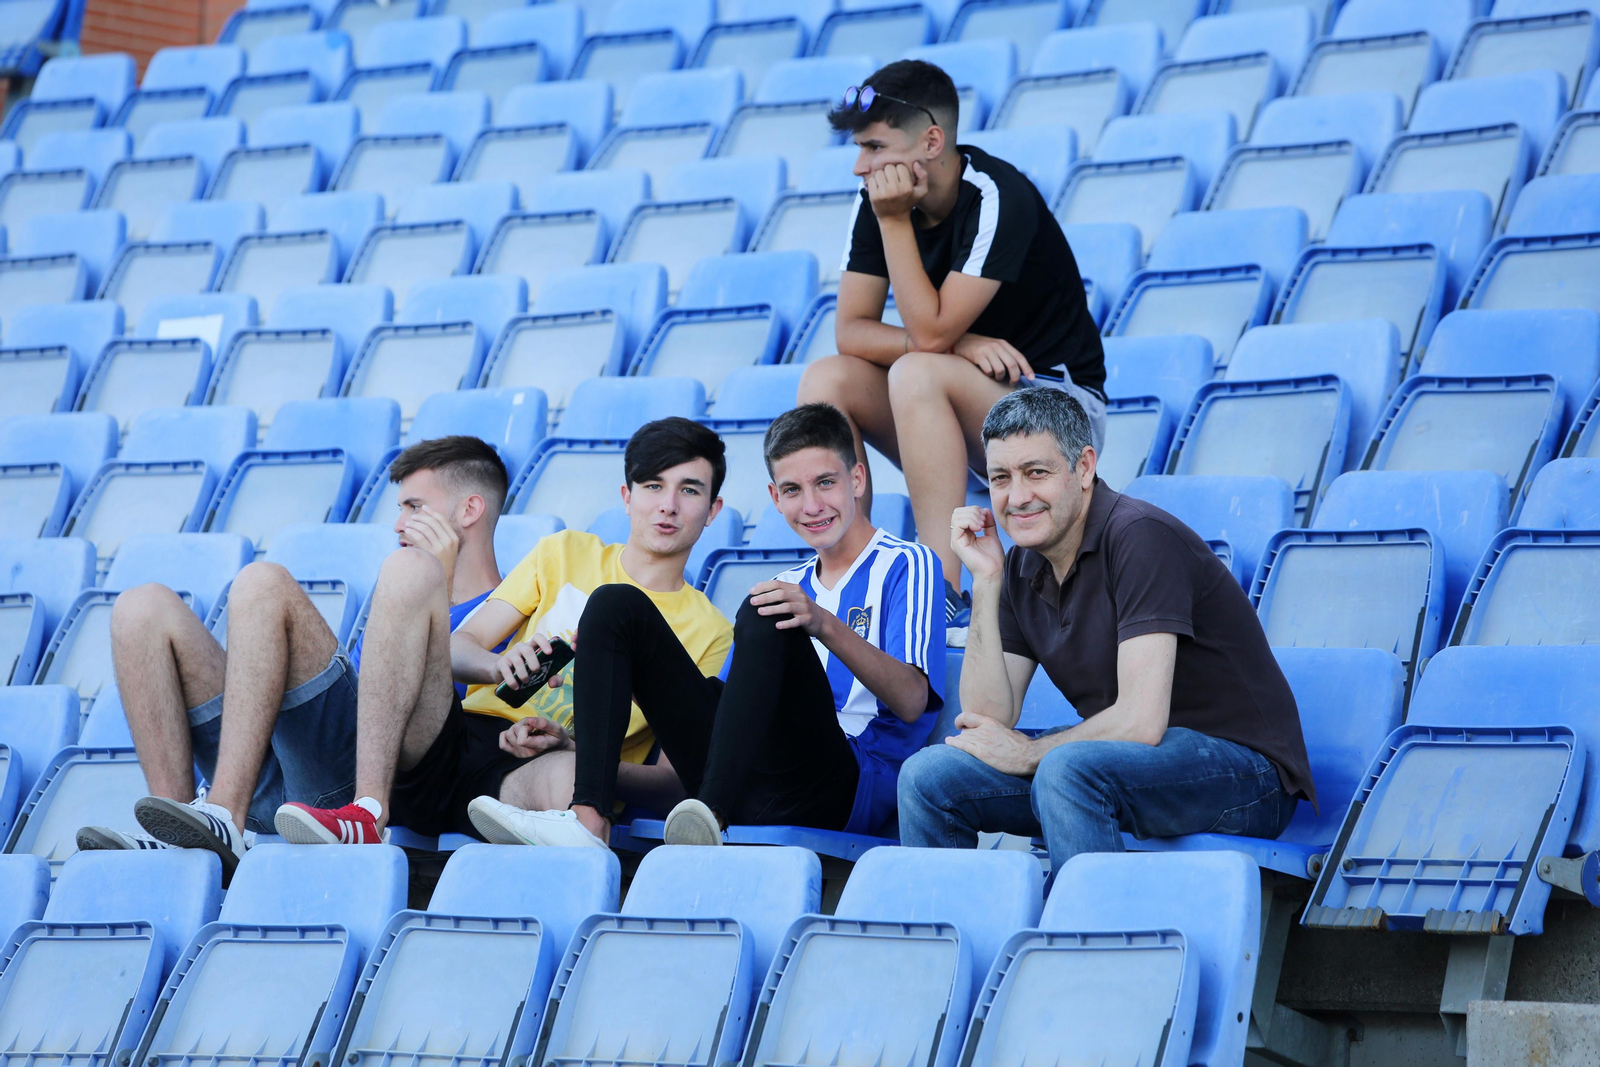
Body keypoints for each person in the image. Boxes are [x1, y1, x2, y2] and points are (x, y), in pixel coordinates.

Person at [468, 402, 945, 848]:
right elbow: (725, 717)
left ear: (857, 479)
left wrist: (821, 622)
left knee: (765, 610)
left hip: (843, 785)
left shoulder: (907, 562)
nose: (812, 505)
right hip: (752, 781)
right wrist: (575, 746)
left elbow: (911, 702)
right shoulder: (785, 584)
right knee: (616, 605)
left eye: (826, 483)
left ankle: (710, 816)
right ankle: (588, 818)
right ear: (775, 499)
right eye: (794, 491)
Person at [896, 388, 1316, 875]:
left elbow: (1139, 722)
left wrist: (1031, 752)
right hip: (1124, 764)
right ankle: (957, 940)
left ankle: (1092, 941)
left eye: (1037, 473)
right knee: (929, 775)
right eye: (1000, 478)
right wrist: (986, 581)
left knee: (1065, 768)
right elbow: (986, 718)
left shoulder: (1140, 537)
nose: (1017, 497)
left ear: (1083, 467)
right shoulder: (1018, 565)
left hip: (1244, 773)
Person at [272, 417, 734, 846]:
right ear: (627, 495)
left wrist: (575, 747)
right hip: (457, 735)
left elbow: (676, 783)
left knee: (576, 785)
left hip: (548, 767)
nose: (668, 506)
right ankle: (367, 811)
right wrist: (498, 664)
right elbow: (458, 647)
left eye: (689, 491)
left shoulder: (713, 633)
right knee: (409, 566)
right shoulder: (566, 551)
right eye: (654, 486)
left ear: (712, 509)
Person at [80, 435, 510, 880]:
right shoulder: (401, 586)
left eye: (414, 507)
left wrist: (438, 580)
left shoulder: (509, 609)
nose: (398, 525)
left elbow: (448, 728)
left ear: (469, 511)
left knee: (263, 583)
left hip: (373, 780)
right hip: (293, 771)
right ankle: (188, 831)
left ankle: (227, 813)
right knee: (140, 608)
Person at [797, 59, 1107, 624]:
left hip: (1058, 406)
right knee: (826, 380)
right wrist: (960, 346)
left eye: (872, 147)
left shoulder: (995, 195)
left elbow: (929, 333)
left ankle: (938, 589)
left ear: (931, 141)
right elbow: (852, 331)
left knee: (916, 370)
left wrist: (895, 225)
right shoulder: (876, 197)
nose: (858, 166)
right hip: (964, 397)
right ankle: (848, 570)